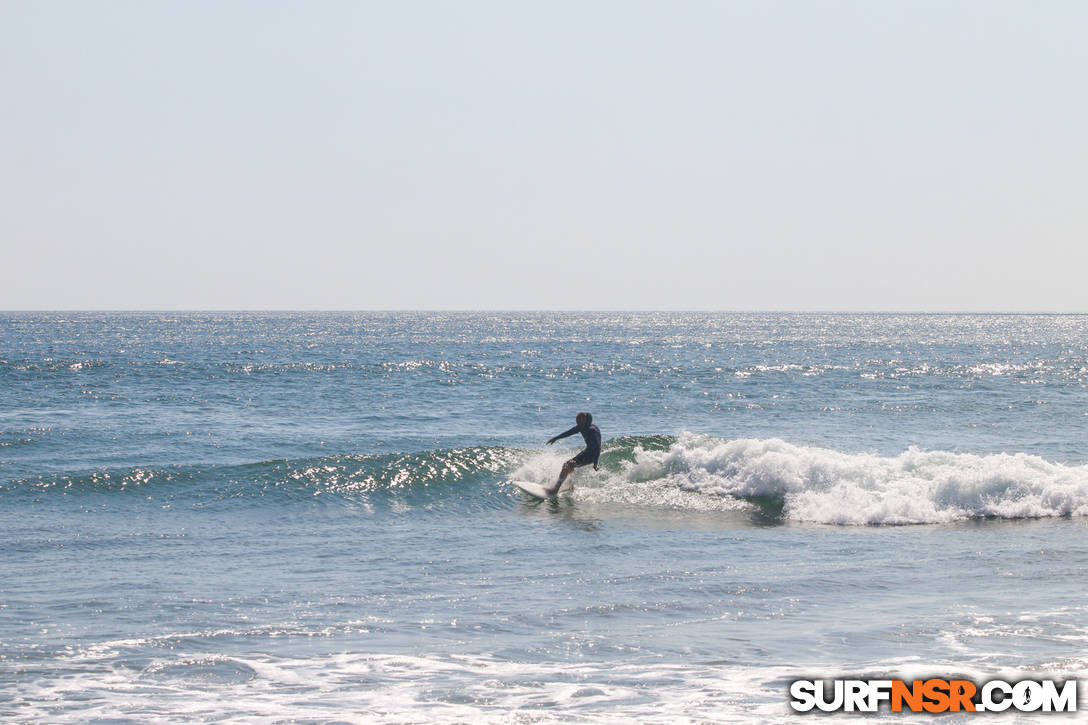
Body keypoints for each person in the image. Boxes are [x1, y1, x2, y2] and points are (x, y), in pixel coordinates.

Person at [544, 412, 601, 495]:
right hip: (587, 452)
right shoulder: (582, 426)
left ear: (585, 420)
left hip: (592, 455)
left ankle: (555, 490)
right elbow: (569, 432)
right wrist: (556, 438)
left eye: (579, 420)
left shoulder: (592, 430)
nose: (577, 421)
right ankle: (570, 486)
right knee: (569, 465)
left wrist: (595, 463)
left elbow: (597, 447)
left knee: (567, 465)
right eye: (576, 419)